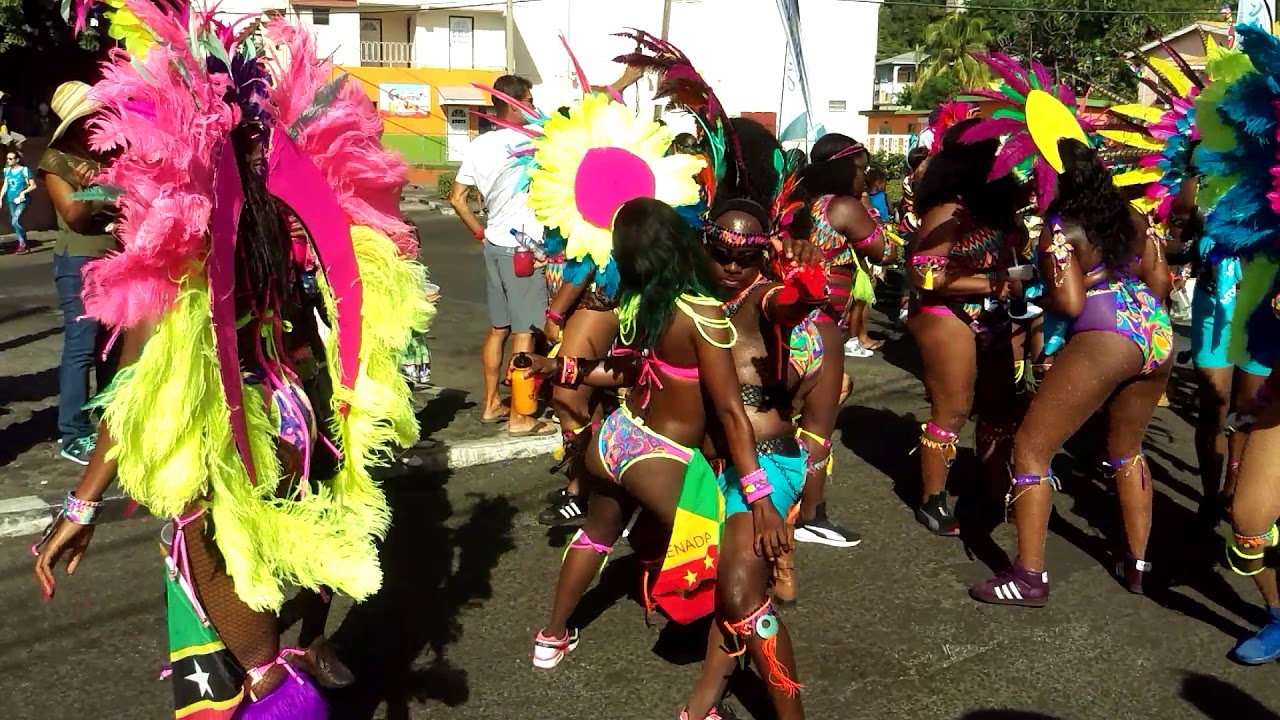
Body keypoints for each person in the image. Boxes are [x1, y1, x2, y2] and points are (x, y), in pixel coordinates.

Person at [32, 14, 431, 717]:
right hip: (300, 415)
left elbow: (136, 394)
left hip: (228, 446)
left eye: (108, 150)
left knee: (263, 671)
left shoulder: (180, 249)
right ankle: (309, 650)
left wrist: (81, 503)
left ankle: (284, 685)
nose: (100, 168)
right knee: (310, 546)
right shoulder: (271, 220)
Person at [970, 137, 1172, 606]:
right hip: (1152, 328)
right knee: (1127, 451)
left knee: (1031, 447)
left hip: (1104, 332)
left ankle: (1028, 577)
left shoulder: (1061, 228)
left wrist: (1032, 289)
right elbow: (1159, 280)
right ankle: (1138, 564)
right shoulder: (1131, 216)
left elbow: (1070, 301)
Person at [680, 197, 825, 720]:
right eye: (722, 252)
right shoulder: (695, 299)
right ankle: (703, 705)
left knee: (741, 593)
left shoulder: (762, 299)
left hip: (766, 466)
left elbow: (790, 306)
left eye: (747, 256)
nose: (733, 265)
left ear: (765, 256)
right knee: (733, 592)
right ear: (705, 244)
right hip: (714, 471)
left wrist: (805, 282)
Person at [907, 117, 1026, 536]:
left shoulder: (995, 205)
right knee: (953, 408)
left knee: (999, 407)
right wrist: (994, 283)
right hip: (944, 314)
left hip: (992, 313)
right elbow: (924, 274)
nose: (998, 159)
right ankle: (932, 499)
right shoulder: (948, 209)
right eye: (989, 152)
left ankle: (997, 490)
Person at [784, 133, 897, 549]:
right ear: (845, 167)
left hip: (789, 325)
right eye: (862, 168)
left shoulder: (798, 206)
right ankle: (810, 514)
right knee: (819, 422)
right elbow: (884, 251)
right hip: (820, 329)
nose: (866, 177)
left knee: (785, 413)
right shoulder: (842, 207)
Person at [449, 74, 555, 437]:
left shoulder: (478, 145)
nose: (533, 105)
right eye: (528, 98)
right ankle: (521, 418)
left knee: (498, 329)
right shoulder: (535, 142)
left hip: (494, 245)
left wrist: (479, 232)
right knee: (525, 333)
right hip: (524, 250)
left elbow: (456, 198)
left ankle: (492, 404)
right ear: (512, 103)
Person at [38, 81, 119, 465]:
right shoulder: (56, 161)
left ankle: (107, 421)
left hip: (116, 261)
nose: (96, 123)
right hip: (79, 263)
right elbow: (73, 215)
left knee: (110, 346)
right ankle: (73, 431)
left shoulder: (109, 153)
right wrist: (95, 186)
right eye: (88, 119)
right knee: (82, 347)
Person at [2, 149, 35, 253]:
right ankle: (23, 245)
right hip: (11, 200)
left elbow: (33, 185)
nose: (8, 160)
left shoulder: (24, 170)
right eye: (7, 158)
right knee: (16, 222)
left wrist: (23, 192)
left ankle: (23, 244)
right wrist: (0, 198)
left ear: (17, 160)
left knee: (15, 221)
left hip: (22, 200)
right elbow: (6, 185)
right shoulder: (7, 171)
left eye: (11, 158)